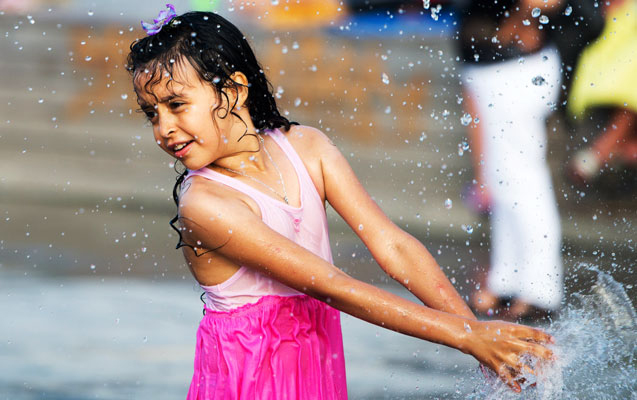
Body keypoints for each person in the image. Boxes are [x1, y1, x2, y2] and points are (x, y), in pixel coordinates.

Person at [127, 5, 555, 398]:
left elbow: (394, 246)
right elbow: (331, 286)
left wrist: (478, 337)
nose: (164, 128)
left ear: (235, 89)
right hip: (246, 383)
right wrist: (465, 337)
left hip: (316, 372)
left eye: (176, 104)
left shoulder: (307, 148)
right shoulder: (205, 205)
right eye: (152, 113)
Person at [457, 0, 565, 320]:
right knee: (501, 180)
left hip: (518, 70)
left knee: (524, 179)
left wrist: (518, 20)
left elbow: (550, 3)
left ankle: (541, 289)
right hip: (488, 68)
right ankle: (508, 280)